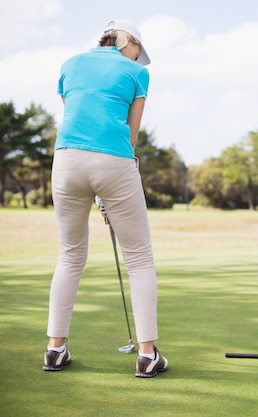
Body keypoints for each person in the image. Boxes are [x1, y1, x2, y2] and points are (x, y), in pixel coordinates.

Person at [43, 19, 168, 378]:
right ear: (126, 39)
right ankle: (147, 355)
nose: (136, 58)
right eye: (136, 50)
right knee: (140, 258)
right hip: (113, 160)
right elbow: (130, 136)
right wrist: (110, 192)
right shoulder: (135, 73)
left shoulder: (69, 64)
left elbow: (76, 115)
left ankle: (55, 349)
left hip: (66, 159)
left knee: (69, 256)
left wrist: (100, 194)